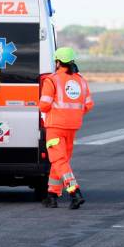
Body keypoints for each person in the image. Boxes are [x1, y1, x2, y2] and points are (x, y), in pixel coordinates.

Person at [39, 47, 94, 209]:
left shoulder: (52, 80)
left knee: (59, 160)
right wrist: (73, 113)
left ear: (58, 62)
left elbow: (44, 105)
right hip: (72, 126)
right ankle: (52, 195)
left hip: (55, 126)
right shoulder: (81, 80)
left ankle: (74, 192)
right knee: (61, 161)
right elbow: (89, 104)